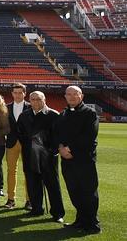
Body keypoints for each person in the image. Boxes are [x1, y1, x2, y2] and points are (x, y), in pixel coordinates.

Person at [55, 86, 101, 234]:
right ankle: (80, 220)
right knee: (74, 191)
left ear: (81, 96)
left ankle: (92, 224)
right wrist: (61, 147)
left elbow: (89, 136)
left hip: (84, 160)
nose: (72, 97)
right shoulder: (63, 114)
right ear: (65, 96)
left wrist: (69, 149)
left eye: (75, 94)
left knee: (88, 192)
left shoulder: (90, 113)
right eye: (69, 94)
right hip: (67, 161)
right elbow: (57, 134)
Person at [17, 91, 65, 222]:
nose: (36, 102)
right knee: (33, 183)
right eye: (33, 99)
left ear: (44, 100)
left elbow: (58, 136)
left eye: (38, 99)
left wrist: (49, 149)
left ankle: (58, 213)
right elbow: (20, 134)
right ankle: (36, 209)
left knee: (52, 184)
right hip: (29, 155)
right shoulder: (24, 116)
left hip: (48, 156)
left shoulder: (53, 115)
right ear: (29, 101)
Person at [5, 83, 31, 209]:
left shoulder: (31, 107)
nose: (17, 95)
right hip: (11, 143)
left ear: (24, 93)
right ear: (12, 94)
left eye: (20, 92)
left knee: (28, 172)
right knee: (11, 171)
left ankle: (29, 200)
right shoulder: (6, 107)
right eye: (15, 92)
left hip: (27, 144)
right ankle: (11, 199)